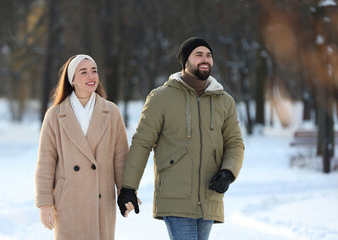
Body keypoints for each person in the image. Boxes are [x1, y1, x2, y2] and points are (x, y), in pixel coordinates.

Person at [117, 37, 244, 240]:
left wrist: (228, 172)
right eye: (199, 55)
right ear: (185, 61)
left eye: (209, 55)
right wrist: (129, 187)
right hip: (174, 195)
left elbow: (235, 143)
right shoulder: (161, 97)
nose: (205, 59)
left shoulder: (224, 101)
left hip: (209, 195)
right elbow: (142, 143)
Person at [35, 54, 129, 240]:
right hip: (67, 200)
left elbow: (121, 158)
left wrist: (126, 191)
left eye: (94, 71)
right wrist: (45, 202)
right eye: (83, 72)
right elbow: (46, 162)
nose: (91, 76)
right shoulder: (55, 115)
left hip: (102, 199)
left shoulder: (111, 112)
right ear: (72, 79)